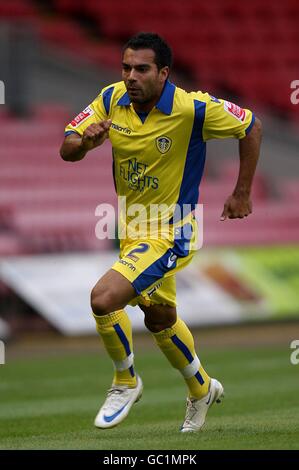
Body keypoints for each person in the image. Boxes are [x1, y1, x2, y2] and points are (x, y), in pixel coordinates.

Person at [60, 32, 262, 432]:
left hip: (173, 231)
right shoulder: (110, 99)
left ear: (163, 73)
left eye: (141, 69)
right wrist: (84, 143)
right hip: (130, 230)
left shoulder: (192, 108)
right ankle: (201, 388)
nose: (130, 76)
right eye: (126, 67)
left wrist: (241, 192)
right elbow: (67, 147)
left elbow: (251, 126)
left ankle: (125, 381)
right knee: (160, 317)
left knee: (103, 298)